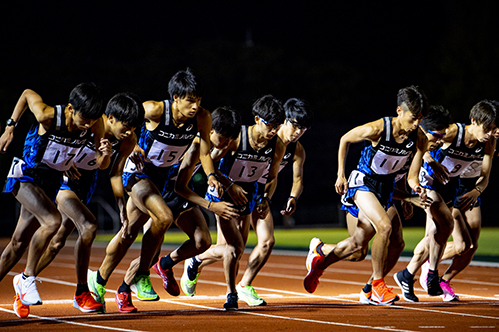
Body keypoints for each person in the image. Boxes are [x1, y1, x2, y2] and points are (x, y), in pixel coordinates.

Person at [87, 68, 221, 313]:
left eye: (198, 100)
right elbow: (124, 117)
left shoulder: (202, 118)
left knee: (131, 232)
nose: (195, 106)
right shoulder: (154, 110)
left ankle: (100, 280)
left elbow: (204, 152)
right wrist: (134, 144)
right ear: (176, 98)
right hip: (140, 174)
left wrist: (211, 175)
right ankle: (138, 277)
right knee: (162, 218)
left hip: (167, 179)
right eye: (190, 100)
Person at [19, 92, 144, 315]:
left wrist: (121, 207)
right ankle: (81, 291)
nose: (129, 132)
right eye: (126, 126)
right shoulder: (91, 124)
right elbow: (61, 135)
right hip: (64, 182)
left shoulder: (128, 140)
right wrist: (62, 161)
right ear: (111, 118)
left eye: (134, 128)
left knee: (57, 243)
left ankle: (24, 283)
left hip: (85, 185)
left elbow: (115, 173)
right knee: (88, 225)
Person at [304, 85, 429, 305]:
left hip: (385, 189)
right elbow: (345, 139)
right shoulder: (378, 128)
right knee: (385, 227)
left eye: (420, 118)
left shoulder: (419, 138)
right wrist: (340, 174)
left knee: (365, 248)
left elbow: (411, 177)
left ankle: (322, 259)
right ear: (399, 111)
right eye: (412, 118)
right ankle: (379, 285)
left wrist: (412, 193)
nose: (416, 124)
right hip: (363, 183)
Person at [114, 107, 242, 312]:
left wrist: (227, 183)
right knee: (148, 250)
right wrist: (211, 205)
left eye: (231, 139)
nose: (227, 144)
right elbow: (180, 187)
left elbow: (211, 166)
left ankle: (165, 265)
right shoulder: (194, 145)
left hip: (179, 192)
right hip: (163, 191)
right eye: (224, 138)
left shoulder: (220, 146)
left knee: (203, 241)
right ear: (210, 131)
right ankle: (123, 289)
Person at [0, 83, 106, 318]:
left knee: (18, 244)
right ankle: (27, 279)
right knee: (52, 221)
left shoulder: (95, 123)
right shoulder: (48, 115)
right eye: (84, 119)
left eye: (92, 120)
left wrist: (103, 154)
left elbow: (102, 162)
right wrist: (10, 127)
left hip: (50, 182)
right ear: (70, 108)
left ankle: (22, 281)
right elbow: (26, 93)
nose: (88, 125)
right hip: (26, 175)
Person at [181, 95, 286, 310]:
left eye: (278, 126)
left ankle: (196, 261)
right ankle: (231, 293)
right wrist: (228, 185)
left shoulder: (277, 145)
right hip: (224, 194)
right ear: (257, 120)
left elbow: (272, 176)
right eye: (270, 125)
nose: (274, 130)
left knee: (237, 250)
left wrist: (266, 198)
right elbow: (209, 162)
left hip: (248, 196)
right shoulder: (237, 138)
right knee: (233, 248)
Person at [396, 100, 497, 302]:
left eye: (495, 128)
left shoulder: (488, 142)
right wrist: (431, 161)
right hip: (428, 181)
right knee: (444, 226)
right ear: (474, 121)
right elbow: (421, 140)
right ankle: (432, 274)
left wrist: (477, 190)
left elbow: (485, 176)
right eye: (489, 127)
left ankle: (407, 275)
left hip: (448, 186)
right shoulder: (453, 132)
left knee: (439, 236)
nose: (492, 132)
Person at [234, 98, 313, 306]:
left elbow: (296, 180)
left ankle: (243, 286)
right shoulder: (268, 138)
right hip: (239, 190)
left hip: (261, 195)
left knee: (267, 241)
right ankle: (196, 260)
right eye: (295, 125)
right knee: (233, 247)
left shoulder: (297, 150)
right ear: (283, 121)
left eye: (303, 129)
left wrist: (292, 197)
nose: (298, 132)